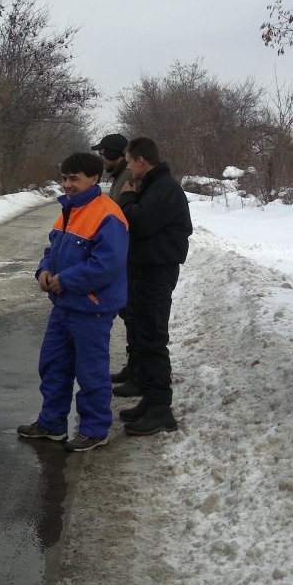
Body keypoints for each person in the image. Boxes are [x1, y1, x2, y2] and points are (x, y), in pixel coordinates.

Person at [18, 152, 128, 452]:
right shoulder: (68, 210)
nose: (67, 184)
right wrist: (44, 270)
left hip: (91, 309)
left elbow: (107, 265)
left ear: (94, 179)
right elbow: (52, 248)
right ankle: (52, 423)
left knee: (91, 372)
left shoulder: (109, 214)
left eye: (74, 178)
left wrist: (66, 280)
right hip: (64, 307)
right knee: (53, 366)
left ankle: (94, 429)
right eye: (65, 178)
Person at [114, 136, 193, 436]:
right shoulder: (153, 184)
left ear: (141, 161)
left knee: (153, 338)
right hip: (145, 269)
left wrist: (128, 198)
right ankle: (150, 398)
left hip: (157, 271)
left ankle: (162, 408)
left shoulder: (163, 188)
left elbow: (140, 223)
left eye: (129, 160)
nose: (128, 166)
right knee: (144, 335)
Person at [92, 133, 136, 385]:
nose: (100, 157)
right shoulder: (120, 177)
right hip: (124, 256)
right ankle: (133, 367)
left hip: (130, 256)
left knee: (133, 315)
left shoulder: (128, 177)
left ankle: (137, 371)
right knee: (128, 314)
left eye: (103, 153)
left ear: (115, 154)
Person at [91, 133, 134, 204]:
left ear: (112, 154)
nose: (100, 159)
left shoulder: (128, 175)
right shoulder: (121, 174)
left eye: (101, 154)